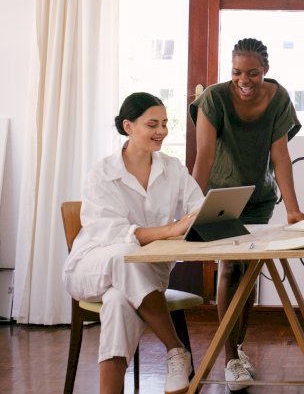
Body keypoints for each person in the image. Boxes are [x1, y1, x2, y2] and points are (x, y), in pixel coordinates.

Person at [62, 92, 204, 394]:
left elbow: (198, 207)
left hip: (145, 274)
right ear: (128, 126)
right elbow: (110, 233)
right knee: (124, 255)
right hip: (92, 265)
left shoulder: (172, 168)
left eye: (165, 123)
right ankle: (175, 349)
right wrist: (168, 230)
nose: (162, 131)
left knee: (117, 302)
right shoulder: (103, 172)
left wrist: (197, 219)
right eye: (153, 124)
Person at [190, 37, 304, 391]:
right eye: (237, 72)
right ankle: (229, 359)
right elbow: (204, 157)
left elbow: (280, 157)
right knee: (230, 267)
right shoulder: (214, 98)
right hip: (221, 196)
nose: (245, 80)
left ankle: (237, 350)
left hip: (258, 198)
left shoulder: (279, 99)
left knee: (250, 273)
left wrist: (293, 209)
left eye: (253, 73)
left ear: (265, 71)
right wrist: (193, 209)